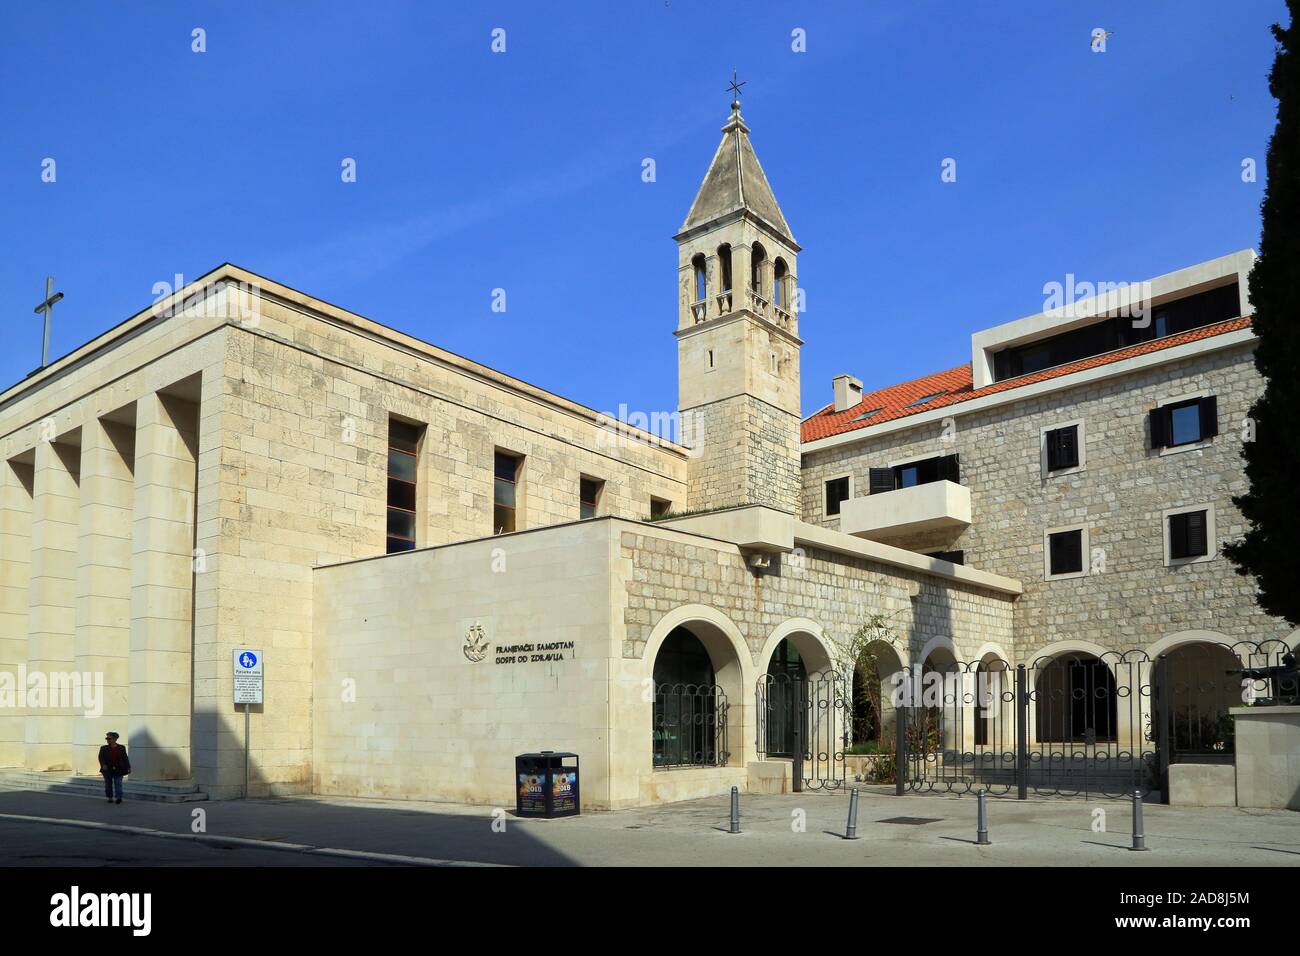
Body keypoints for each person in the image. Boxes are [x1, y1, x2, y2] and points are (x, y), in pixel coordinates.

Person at [98, 732, 130, 804]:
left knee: (118, 783)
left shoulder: (121, 748)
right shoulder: (103, 748)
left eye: (109, 738)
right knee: (108, 784)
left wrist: (128, 767)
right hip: (107, 769)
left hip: (118, 769)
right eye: (107, 738)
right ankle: (110, 797)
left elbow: (125, 758)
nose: (107, 740)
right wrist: (103, 765)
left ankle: (119, 797)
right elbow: (100, 757)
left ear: (115, 739)